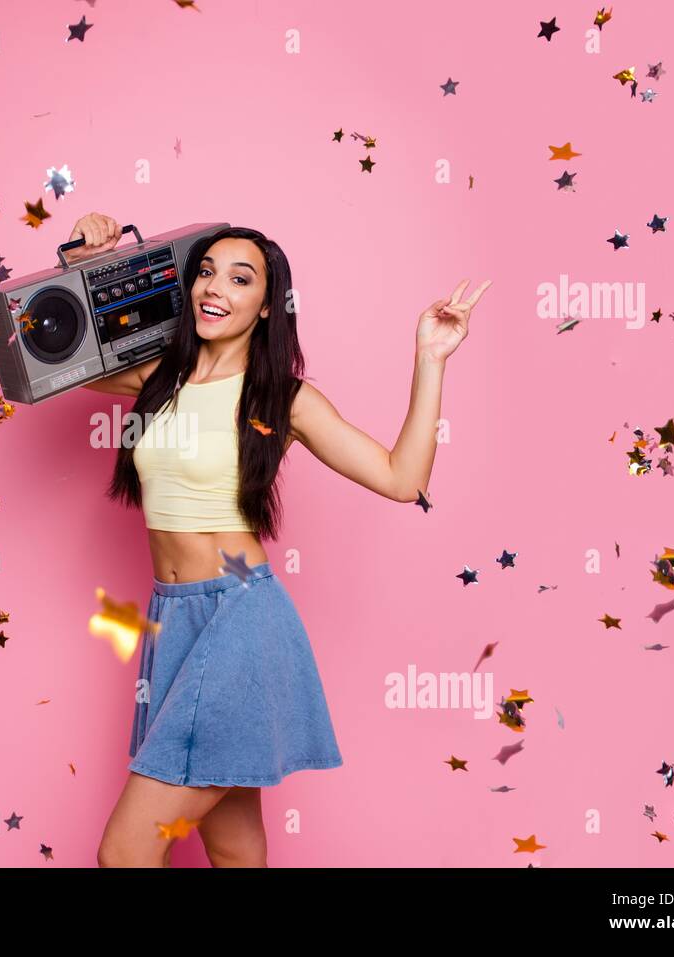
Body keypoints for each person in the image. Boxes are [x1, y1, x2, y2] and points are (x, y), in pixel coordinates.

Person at [65, 212, 490, 867]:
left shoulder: (283, 398)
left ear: (266, 306)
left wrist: (430, 359)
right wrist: (86, 266)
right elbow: (55, 366)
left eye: (240, 279)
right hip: (172, 622)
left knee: (126, 851)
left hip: (241, 617)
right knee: (234, 850)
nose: (216, 287)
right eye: (206, 271)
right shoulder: (156, 377)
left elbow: (401, 478)